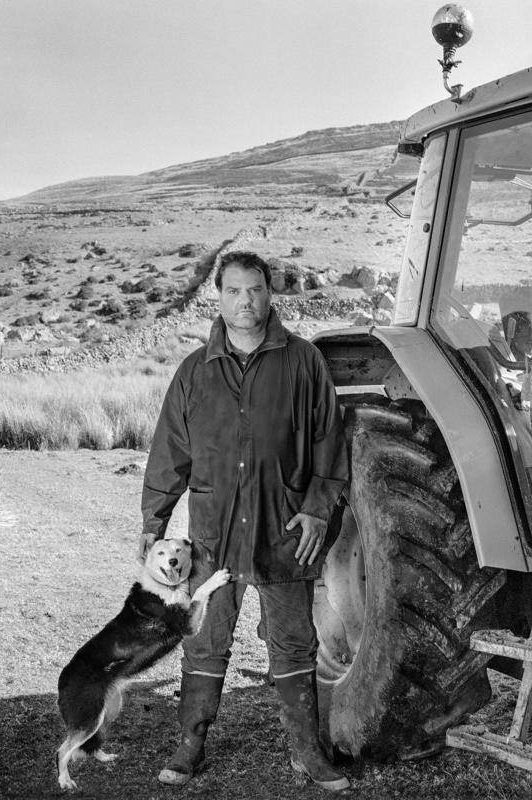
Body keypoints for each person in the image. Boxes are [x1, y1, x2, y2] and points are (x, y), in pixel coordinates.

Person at [140, 251, 350, 792]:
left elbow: (329, 443)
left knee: (294, 641)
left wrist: (317, 509)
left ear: (269, 293)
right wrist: (154, 521)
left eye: (254, 289)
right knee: (205, 639)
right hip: (213, 534)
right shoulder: (194, 371)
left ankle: (308, 750)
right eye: (234, 291)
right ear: (220, 296)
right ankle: (190, 744)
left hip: (285, 531)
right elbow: (170, 453)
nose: (246, 300)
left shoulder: (304, 362)